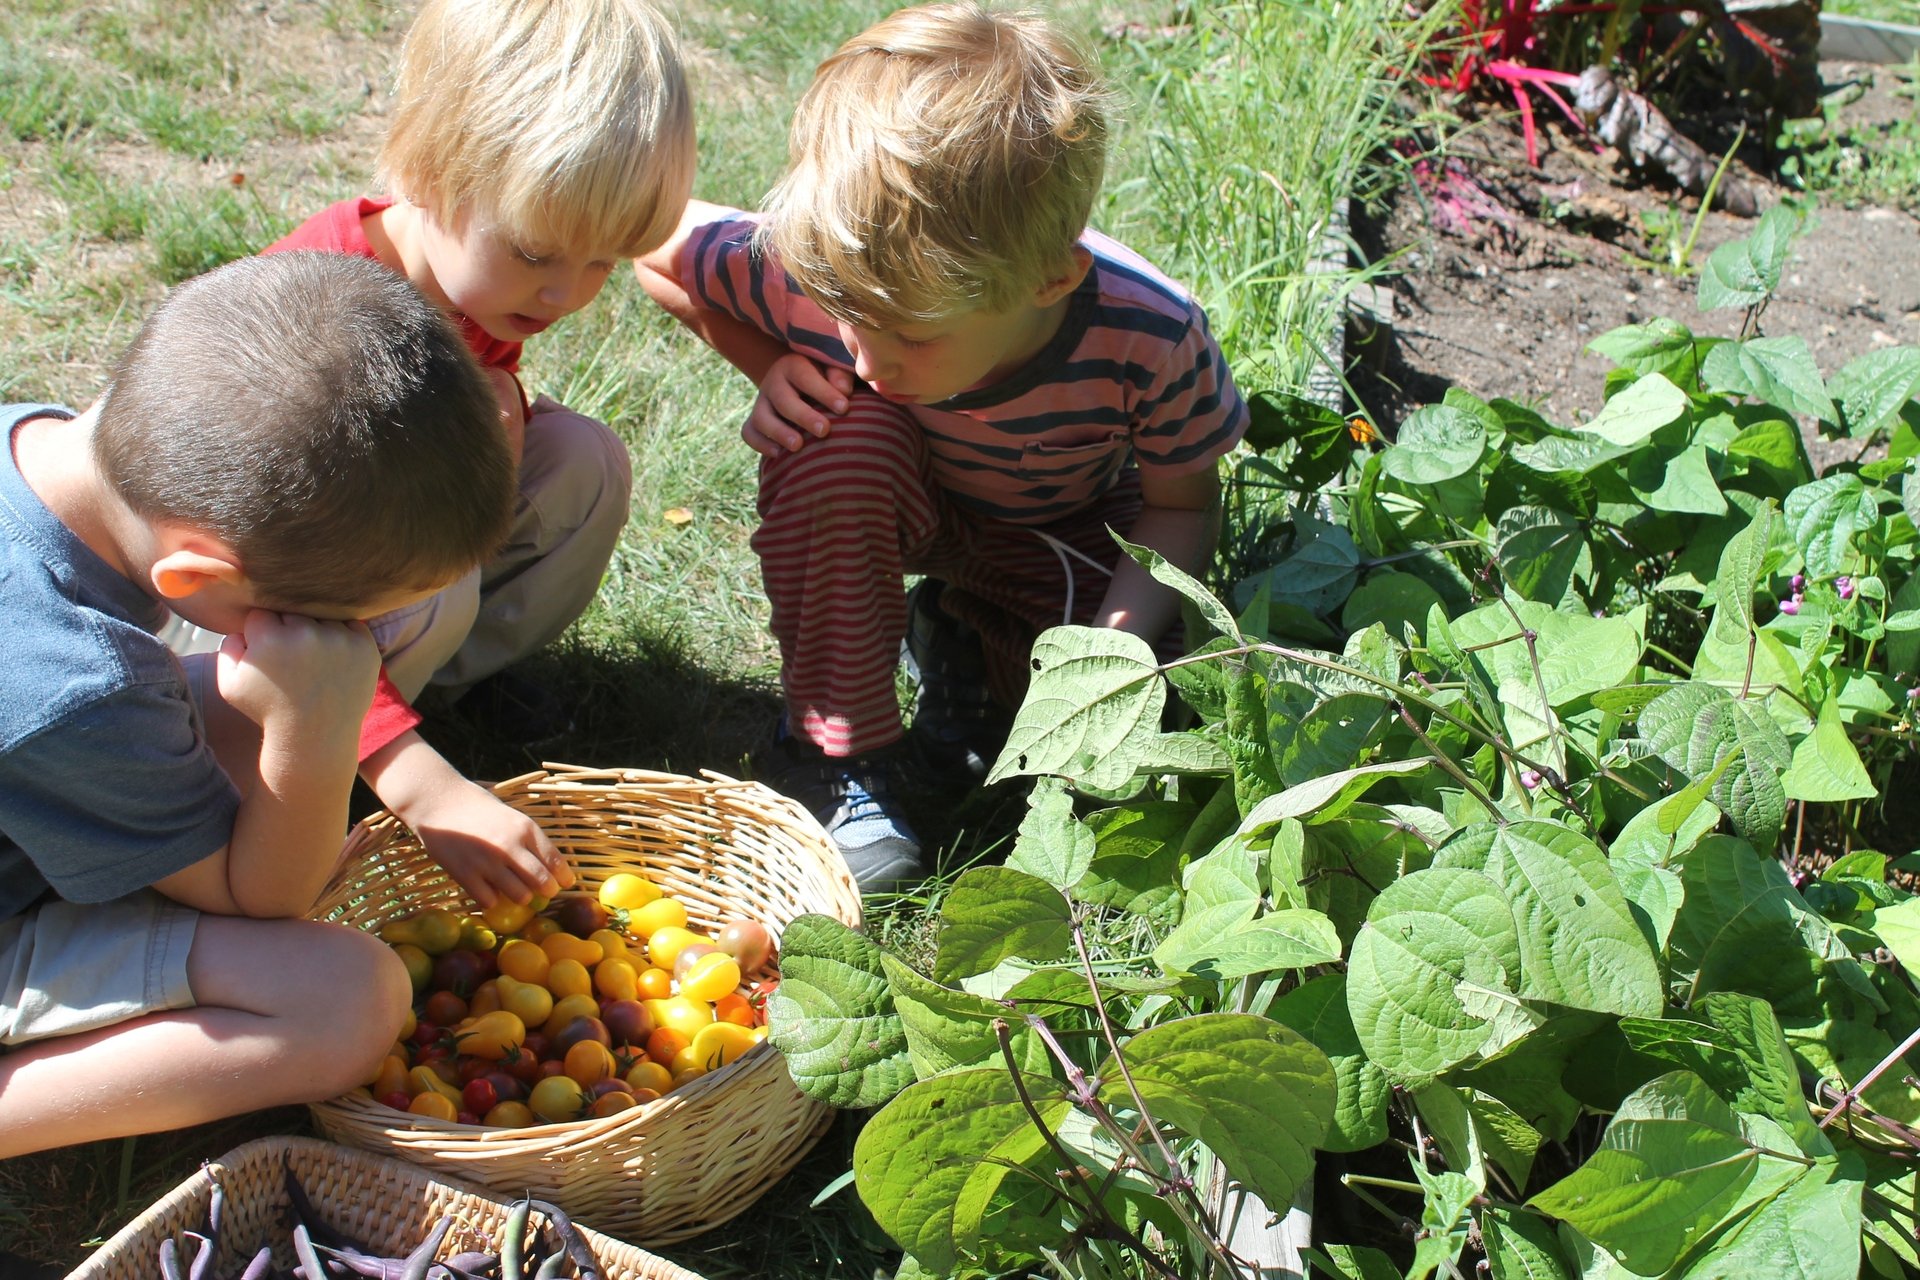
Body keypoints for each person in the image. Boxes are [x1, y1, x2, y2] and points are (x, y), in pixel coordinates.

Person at [635, 2, 1248, 889]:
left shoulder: (1150, 333)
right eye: (845, 319)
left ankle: (964, 639)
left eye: (911, 337)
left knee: (1095, 728)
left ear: (1051, 280)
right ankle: (840, 755)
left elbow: (1181, 505)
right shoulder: (843, 267)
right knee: (839, 439)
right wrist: (770, 362)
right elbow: (655, 246)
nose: (866, 357)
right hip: (905, 493)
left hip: (1063, 524)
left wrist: (1103, 657)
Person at [162, 0, 697, 909]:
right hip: (225, 628)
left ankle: (430, 700)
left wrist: (507, 425)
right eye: (537, 251)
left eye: (604, 262)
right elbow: (258, 597)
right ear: (430, 174)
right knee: (434, 577)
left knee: (583, 464)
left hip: (362, 581)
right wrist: (417, 783)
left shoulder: (471, 286)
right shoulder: (319, 341)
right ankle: (330, 749)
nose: (567, 292)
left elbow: (489, 396)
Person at [0, 252, 516, 1157]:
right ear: (196, 575)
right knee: (345, 1000)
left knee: (233, 713)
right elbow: (261, 901)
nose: (363, 638)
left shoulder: (36, 444)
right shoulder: (81, 683)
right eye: (335, 620)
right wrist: (316, 729)